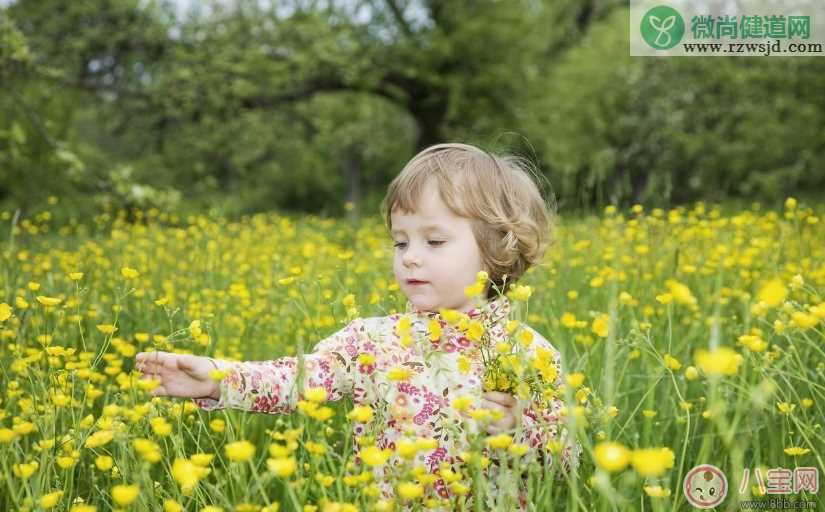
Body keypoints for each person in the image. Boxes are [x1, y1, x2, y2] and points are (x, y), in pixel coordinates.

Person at [135, 143, 581, 509]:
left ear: (499, 248)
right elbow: (297, 380)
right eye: (400, 242)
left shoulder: (529, 354)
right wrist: (216, 379)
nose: (410, 256)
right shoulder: (372, 340)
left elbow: (566, 466)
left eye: (435, 241)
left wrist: (518, 431)